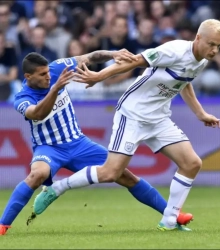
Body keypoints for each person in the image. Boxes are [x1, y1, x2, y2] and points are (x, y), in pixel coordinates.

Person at [33, 19, 220, 231]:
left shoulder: (201, 60)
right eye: (211, 44)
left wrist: (201, 113)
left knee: (192, 163)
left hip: (158, 118)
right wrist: (99, 76)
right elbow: (134, 61)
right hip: (132, 113)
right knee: (110, 173)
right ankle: (57, 188)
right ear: (198, 38)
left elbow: (184, 83)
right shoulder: (174, 50)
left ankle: (169, 221)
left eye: (219, 46)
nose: (215, 50)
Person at [0, 50, 193, 235]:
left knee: (126, 176)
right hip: (49, 148)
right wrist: (56, 88)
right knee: (37, 175)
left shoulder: (57, 68)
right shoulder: (22, 97)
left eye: (48, 72)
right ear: (28, 76)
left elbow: (90, 57)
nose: (48, 77)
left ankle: (172, 215)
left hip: (79, 144)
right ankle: (3, 225)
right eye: (42, 75)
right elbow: (38, 113)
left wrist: (113, 54)